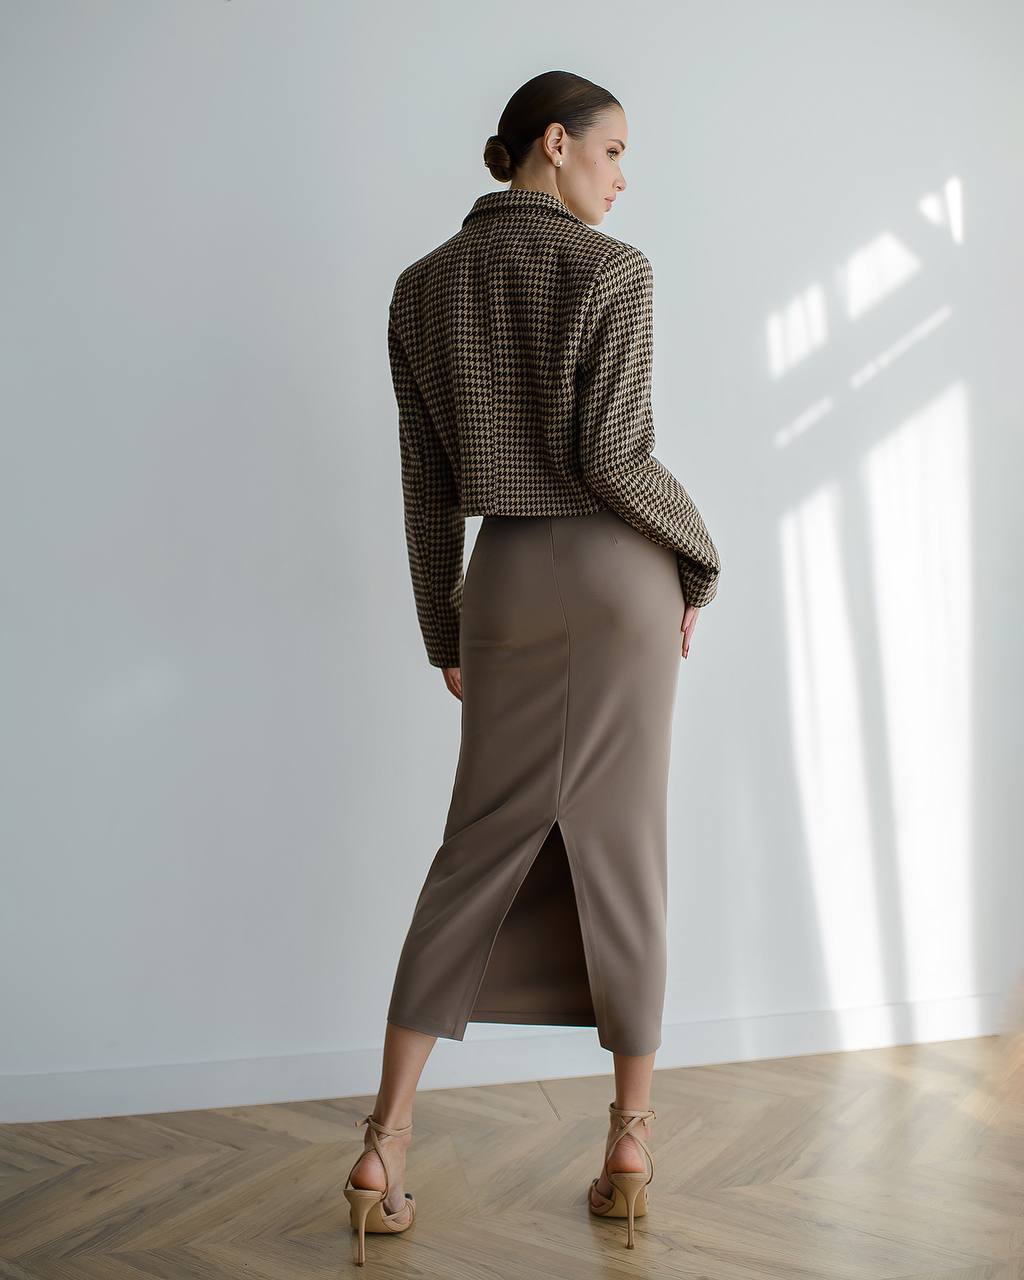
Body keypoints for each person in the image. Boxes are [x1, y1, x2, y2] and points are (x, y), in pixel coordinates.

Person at [343, 69, 721, 1264]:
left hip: (499, 578)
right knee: (626, 846)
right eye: (613, 150)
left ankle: (384, 1143)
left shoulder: (419, 291)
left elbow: (424, 488)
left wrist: (439, 627)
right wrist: (698, 558)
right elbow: (613, 454)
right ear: (554, 146)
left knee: (474, 845)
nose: (623, 175)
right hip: (616, 581)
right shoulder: (616, 272)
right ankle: (626, 1141)